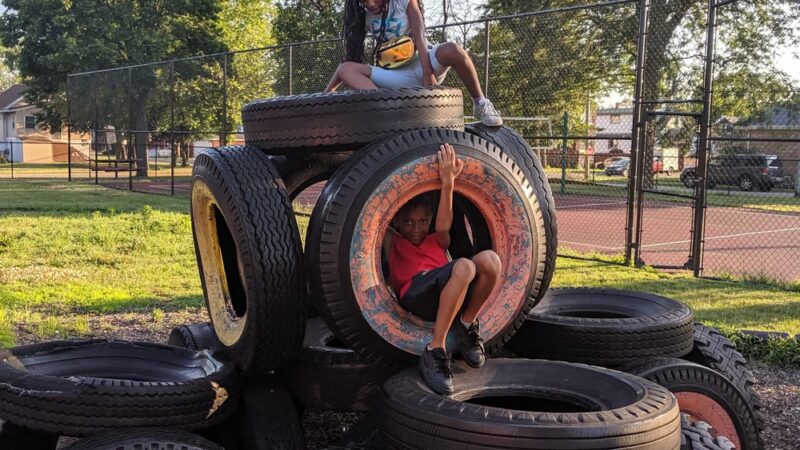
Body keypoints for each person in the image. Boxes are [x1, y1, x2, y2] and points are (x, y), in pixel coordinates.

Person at [384, 143, 502, 395]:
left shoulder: (436, 239)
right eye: (407, 222)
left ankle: (467, 324)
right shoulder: (393, 240)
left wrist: (448, 183)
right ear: (397, 222)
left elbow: (443, 225)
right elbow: (375, 210)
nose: (415, 228)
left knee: (491, 260)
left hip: (450, 292)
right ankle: (435, 349)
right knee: (465, 266)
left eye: (421, 222)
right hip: (416, 294)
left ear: (429, 221)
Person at [324, 0, 503, 127]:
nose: (369, 4)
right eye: (363, 1)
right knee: (346, 68)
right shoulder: (364, 17)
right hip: (395, 76)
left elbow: (419, 34)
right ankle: (385, 111)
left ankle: (480, 103)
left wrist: (428, 74)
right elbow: (345, 67)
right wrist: (322, 99)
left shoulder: (403, 1)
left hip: (425, 63)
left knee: (453, 50)